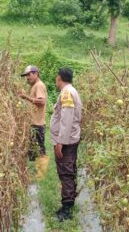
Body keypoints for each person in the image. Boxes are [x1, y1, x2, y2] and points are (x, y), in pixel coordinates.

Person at [50, 67, 82, 222]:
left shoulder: (67, 93)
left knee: (66, 173)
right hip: (71, 139)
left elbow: (66, 119)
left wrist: (60, 142)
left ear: (59, 78)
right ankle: (69, 202)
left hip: (67, 141)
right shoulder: (71, 91)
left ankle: (67, 210)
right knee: (69, 170)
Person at [20, 65, 48, 161]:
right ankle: (34, 171)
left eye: (29, 75)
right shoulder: (35, 86)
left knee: (40, 149)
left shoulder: (39, 85)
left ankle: (42, 173)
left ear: (36, 74)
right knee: (32, 149)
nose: (27, 77)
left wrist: (26, 97)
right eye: (26, 76)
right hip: (34, 123)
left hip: (38, 124)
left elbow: (42, 101)